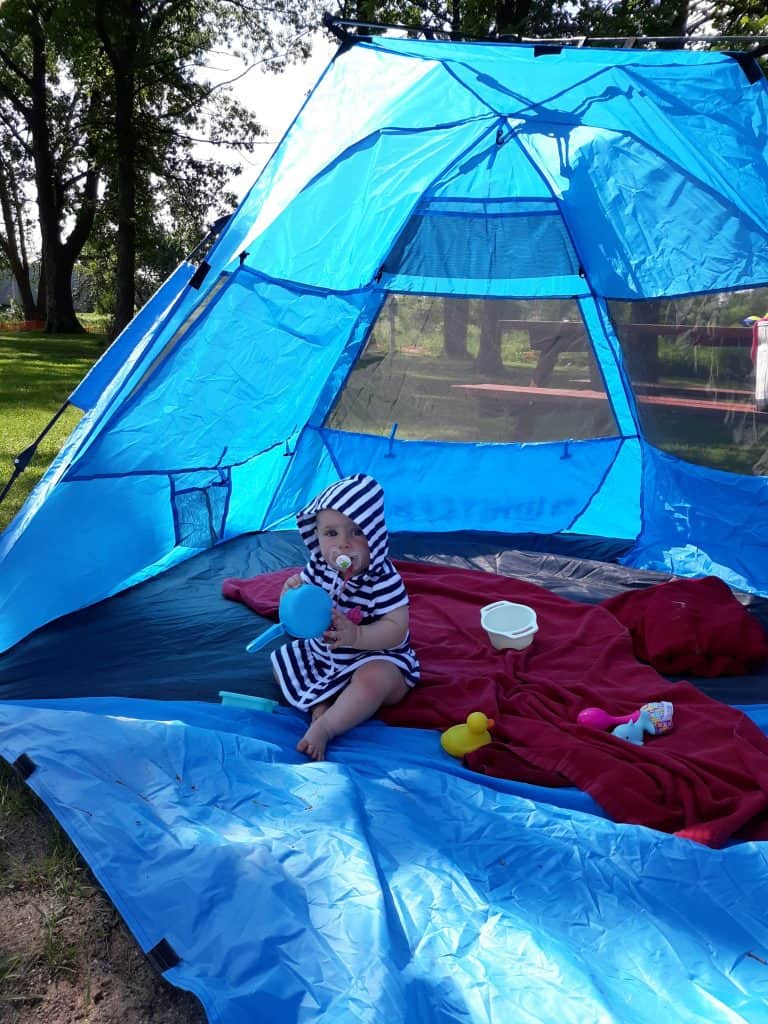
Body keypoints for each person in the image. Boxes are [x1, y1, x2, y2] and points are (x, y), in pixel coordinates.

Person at [271, 473, 419, 760]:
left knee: (374, 680)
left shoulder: (383, 579)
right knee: (281, 664)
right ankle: (321, 703)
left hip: (376, 655)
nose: (343, 545)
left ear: (374, 537)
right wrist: (289, 596)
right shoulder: (317, 568)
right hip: (325, 655)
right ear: (317, 536)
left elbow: (396, 628)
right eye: (331, 533)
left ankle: (326, 726)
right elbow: (298, 616)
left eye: (356, 532)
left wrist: (358, 635)